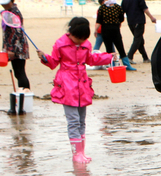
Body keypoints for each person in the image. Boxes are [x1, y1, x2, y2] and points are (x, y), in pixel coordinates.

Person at [37, 17, 113, 162]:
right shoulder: (60, 44)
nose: (80, 41)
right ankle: (76, 154)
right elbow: (53, 62)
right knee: (73, 120)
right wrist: (44, 58)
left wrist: (108, 57)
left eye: (83, 39)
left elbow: (91, 60)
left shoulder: (86, 44)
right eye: (78, 38)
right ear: (71, 32)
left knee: (82, 120)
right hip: (67, 85)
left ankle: (82, 152)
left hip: (82, 85)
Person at [0, 0, 32, 99]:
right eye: (2, 3)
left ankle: (25, 96)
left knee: (20, 72)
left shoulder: (13, 13)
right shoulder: (8, 11)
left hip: (17, 48)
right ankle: (23, 95)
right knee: (18, 73)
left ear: (12, 0)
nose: (4, 5)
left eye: (6, 3)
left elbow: (17, 32)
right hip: (13, 46)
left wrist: (12, 50)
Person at [95, 0, 134, 70]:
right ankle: (112, 65)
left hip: (115, 31)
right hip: (105, 31)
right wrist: (96, 30)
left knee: (120, 48)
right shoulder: (102, 8)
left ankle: (127, 65)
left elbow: (121, 19)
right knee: (109, 49)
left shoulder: (118, 7)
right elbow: (99, 21)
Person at [121, 0, 158, 65]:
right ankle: (129, 57)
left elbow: (122, 11)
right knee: (137, 39)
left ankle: (145, 58)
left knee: (139, 39)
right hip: (139, 20)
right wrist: (152, 17)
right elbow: (144, 8)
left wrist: (120, 22)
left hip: (130, 21)